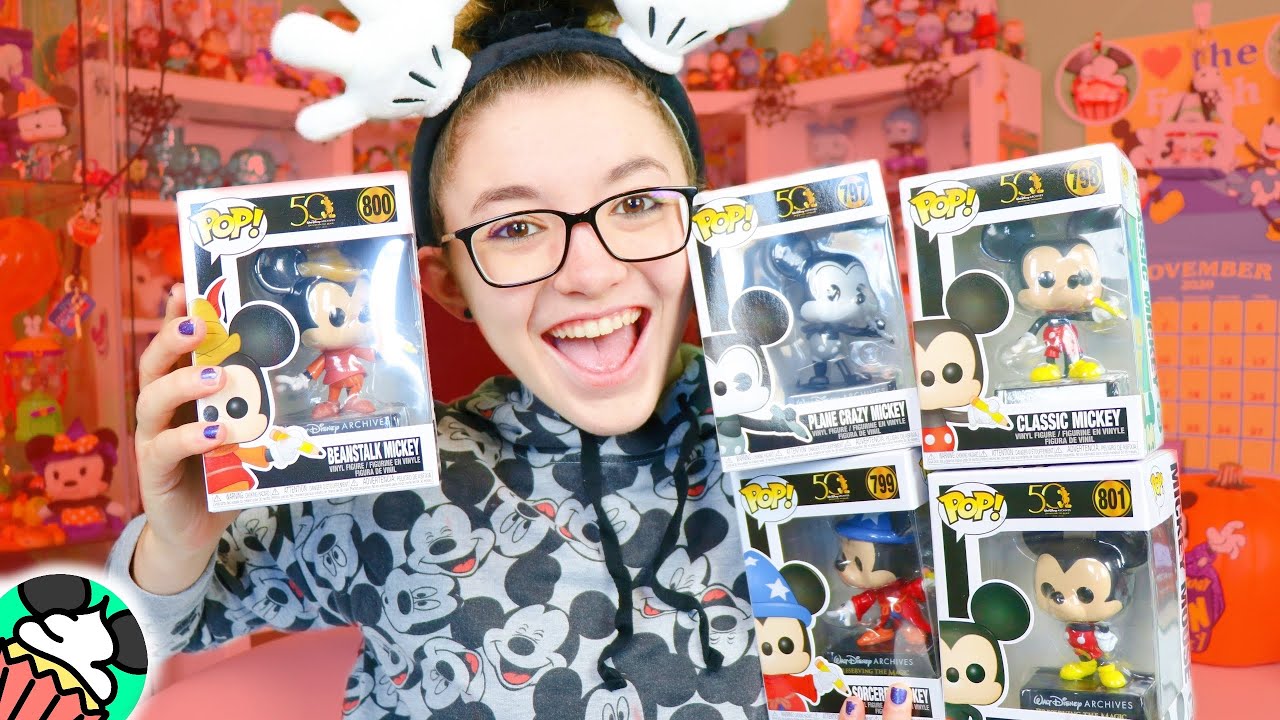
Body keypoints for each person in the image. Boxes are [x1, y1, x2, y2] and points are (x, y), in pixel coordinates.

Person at [104, 2, 915, 719]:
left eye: (637, 203)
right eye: (516, 227)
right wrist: (176, 545)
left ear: (704, 228)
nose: (590, 272)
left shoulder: (822, 442)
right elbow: (135, 645)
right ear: (445, 282)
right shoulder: (373, 483)